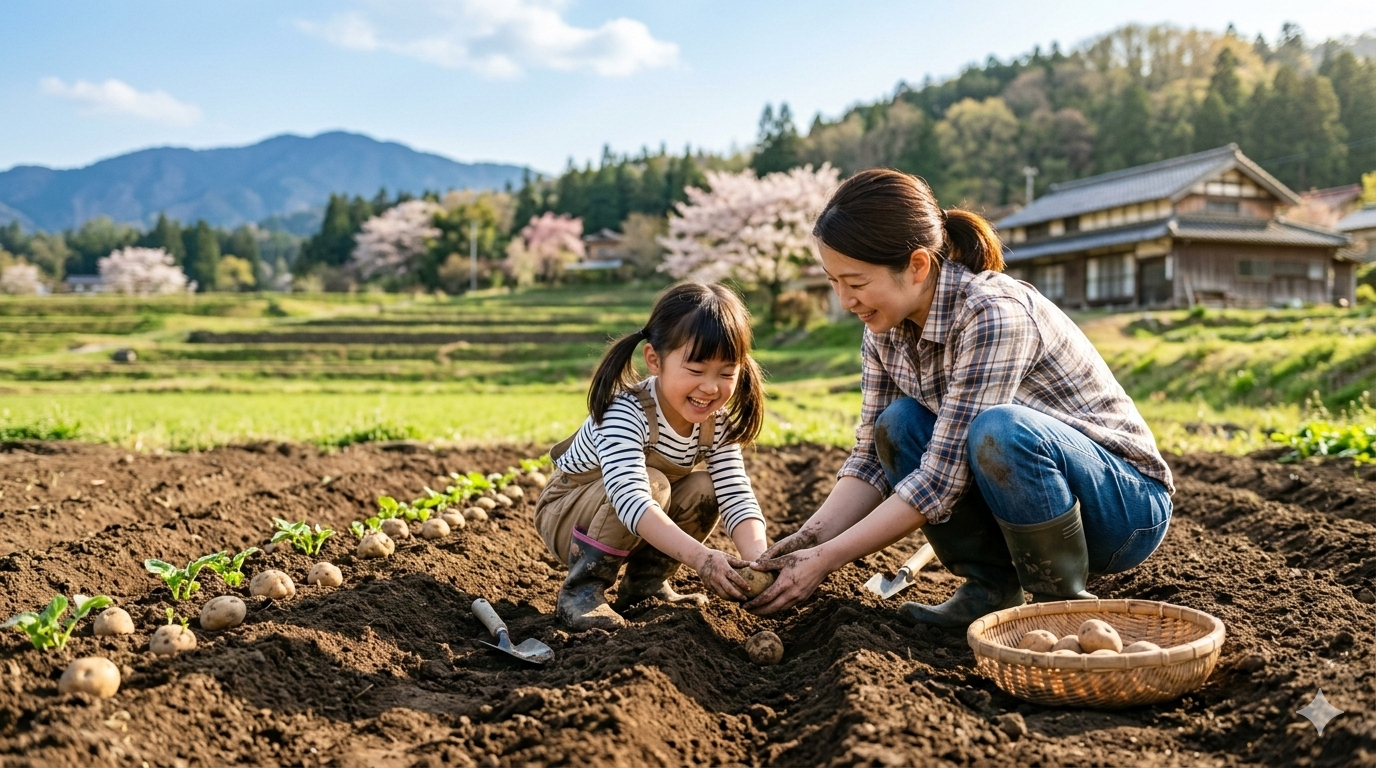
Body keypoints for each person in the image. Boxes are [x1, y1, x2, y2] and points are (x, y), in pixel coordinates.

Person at [745, 168, 1174, 627]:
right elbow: (871, 458)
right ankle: (991, 590)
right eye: (834, 282)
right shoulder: (884, 330)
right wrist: (809, 539)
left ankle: (1059, 606)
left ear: (917, 266)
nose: (845, 299)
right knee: (898, 423)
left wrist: (827, 559)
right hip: (1023, 497)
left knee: (1000, 429)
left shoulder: (991, 314)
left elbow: (940, 480)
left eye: (856, 281)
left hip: (1122, 509)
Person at [535, 282, 769, 631]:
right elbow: (628, 496)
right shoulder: (626, 412)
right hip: (569, 514)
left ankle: (644, 587)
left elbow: (736, 493)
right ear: (654, 360)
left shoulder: (717, 423)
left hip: (632, 509)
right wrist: (702, 560)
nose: (710, 387)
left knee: (707, 488)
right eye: (695, 370)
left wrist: (759, 562)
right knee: (652, 483)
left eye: (725, 373)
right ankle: (581, 592)